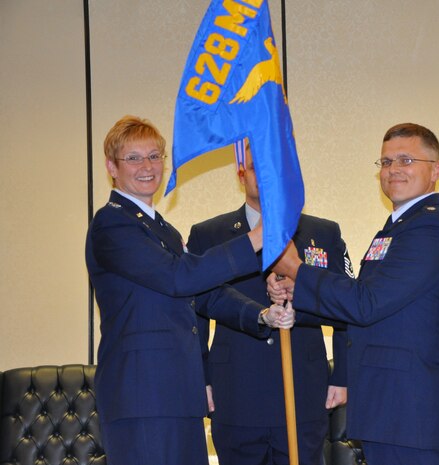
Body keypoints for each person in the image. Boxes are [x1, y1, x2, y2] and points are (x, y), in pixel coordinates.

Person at [85, 115, 293, 465]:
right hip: (143, 397)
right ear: (111, 167)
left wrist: (260, 314)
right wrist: (256, 239)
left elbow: (203, 292)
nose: (147, 166)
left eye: (155, 156)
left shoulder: (160, 228)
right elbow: (179, 277)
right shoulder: (112, 223)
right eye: (133, 158)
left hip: (177, 393)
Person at [268, 123, 439, 465]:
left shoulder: (429, 228)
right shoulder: (397, 227)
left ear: (435, 170)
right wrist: (297, 294)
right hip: (389, 410)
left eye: (406, 160)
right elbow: (365, 304)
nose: (393, 170)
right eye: (386, 162)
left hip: (411, 412)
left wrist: (298, 270)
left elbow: (367, 304)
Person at [187, 139, 352, 465]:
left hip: (304, 391)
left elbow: (347, 305)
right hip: (235, 391)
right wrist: (200, 378)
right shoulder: (209, 234)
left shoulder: (323, 232)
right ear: (240, 174)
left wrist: (343, 376)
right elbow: (196, 314)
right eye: (254, 168)